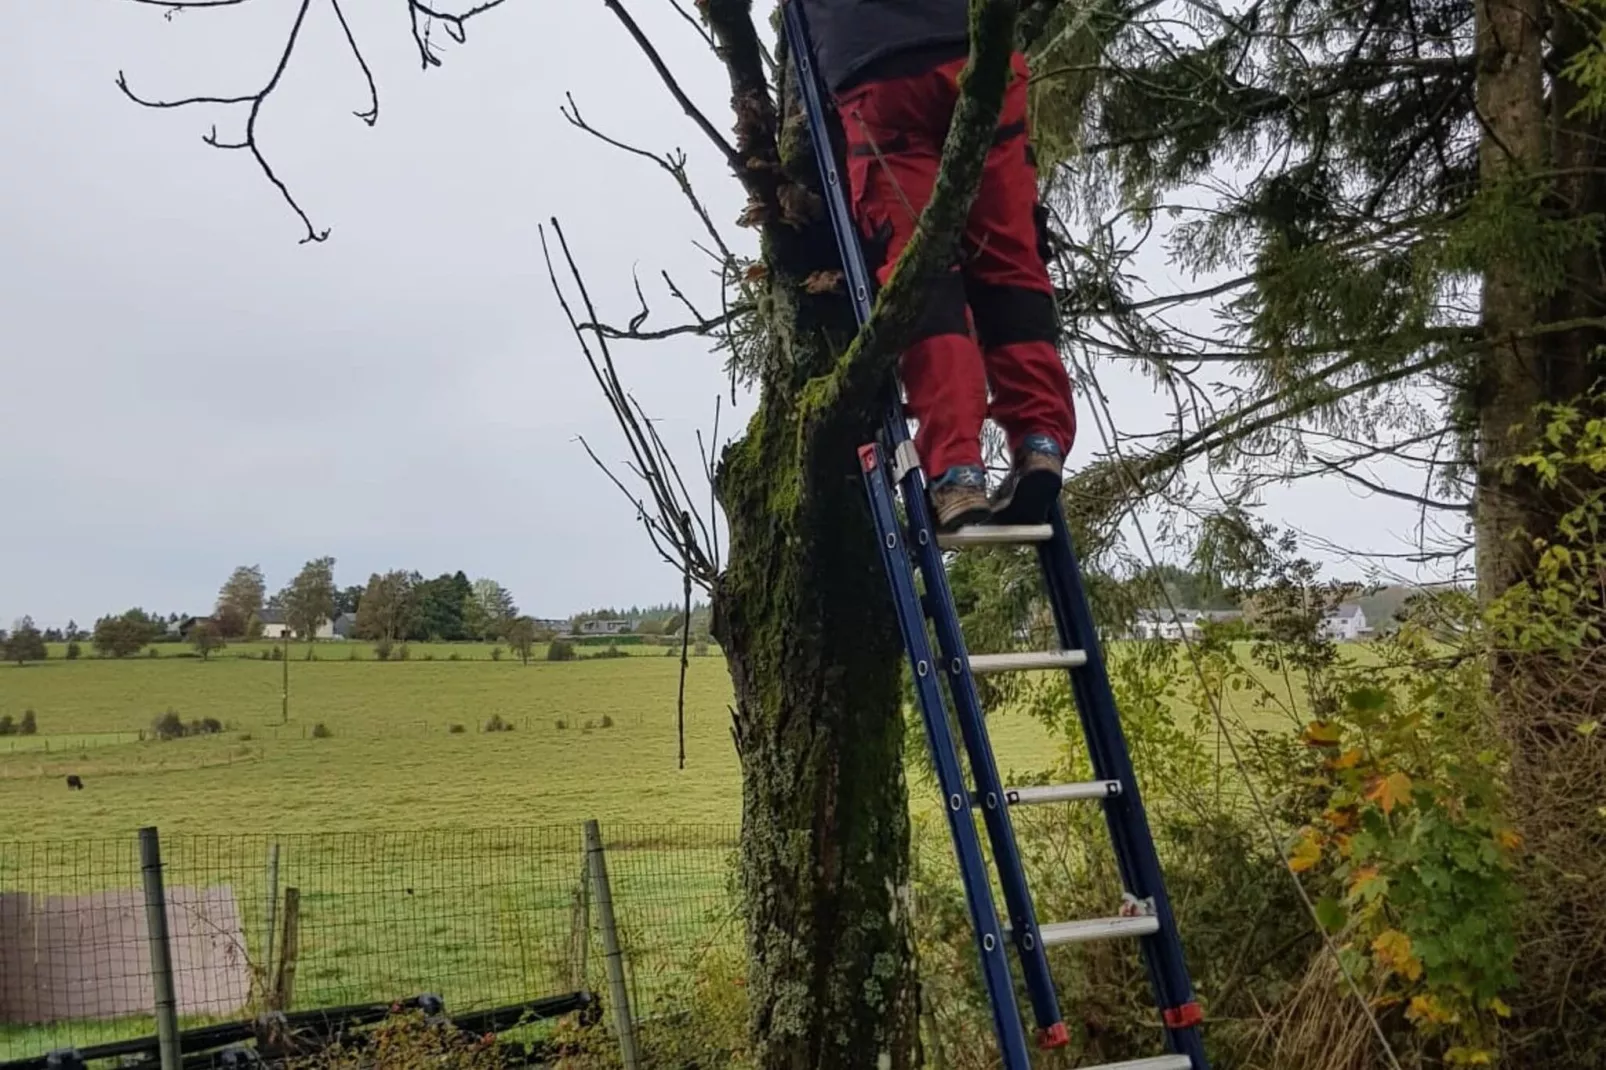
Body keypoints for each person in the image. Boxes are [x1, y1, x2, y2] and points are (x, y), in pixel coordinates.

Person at [799, 0, 1077, 531]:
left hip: (875, 69)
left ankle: (956, 472)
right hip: (976, 49)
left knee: (921, 280)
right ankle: (1040, 438)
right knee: (1011, 262)